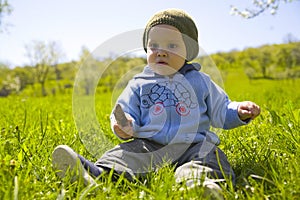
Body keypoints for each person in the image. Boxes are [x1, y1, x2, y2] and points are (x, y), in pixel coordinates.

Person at [52, 8, 260, 193]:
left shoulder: (201, 81)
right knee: (123, 154)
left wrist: (238, 110)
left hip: (194, 145)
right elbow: (125, 110)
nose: (161, 51)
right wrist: (123, 124)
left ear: (188, 51)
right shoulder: (139, 83)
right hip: (149, 144)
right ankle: (96, 175)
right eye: (153, 46)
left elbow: (221, 110)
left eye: (172, 45)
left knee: (207, 159)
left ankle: (197, 186)